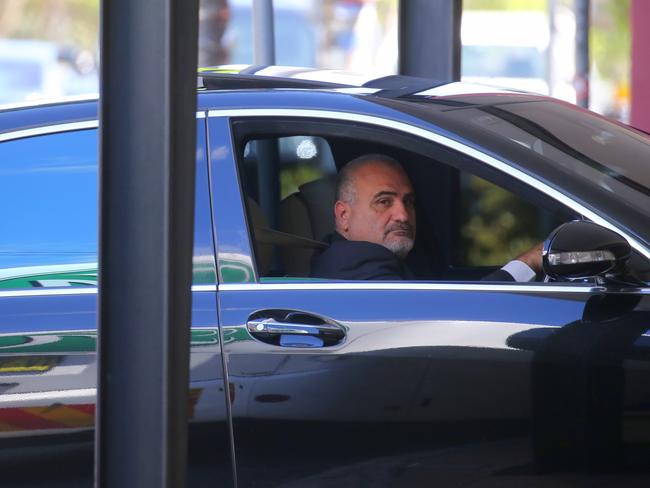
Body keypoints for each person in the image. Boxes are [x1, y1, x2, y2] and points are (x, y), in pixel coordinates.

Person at [310, 154, 542, 281]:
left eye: (409, 202)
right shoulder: (353, 262)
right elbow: (451, 320)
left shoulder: (367, 260)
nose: (403, 215)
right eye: (384, 202)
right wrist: (528, 263)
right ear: (343, 216)